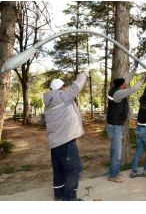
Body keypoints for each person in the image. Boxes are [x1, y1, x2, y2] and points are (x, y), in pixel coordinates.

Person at [43, 68, 90, 201]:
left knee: (59, 169)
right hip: (65, 141)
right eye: (64, 86)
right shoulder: (61, 97)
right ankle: (69, 199)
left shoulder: (50, 101)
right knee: (74, 169)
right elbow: (76, 87)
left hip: (55, 142)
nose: (66, 88)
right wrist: (84, 73)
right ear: (61, 88)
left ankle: (59, 195)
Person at [106, 62, 146, 183]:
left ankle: (114, 172)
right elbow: (134, 88)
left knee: (115, 150)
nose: (126, 84)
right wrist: (142, 80)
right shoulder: (119, 94)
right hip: (115, 126)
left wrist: (135, 67)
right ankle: (113, 176)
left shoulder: (115, 89)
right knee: (116, 151)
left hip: (113, 124)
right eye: (124, 84)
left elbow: (128, 79)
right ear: (121, 86)